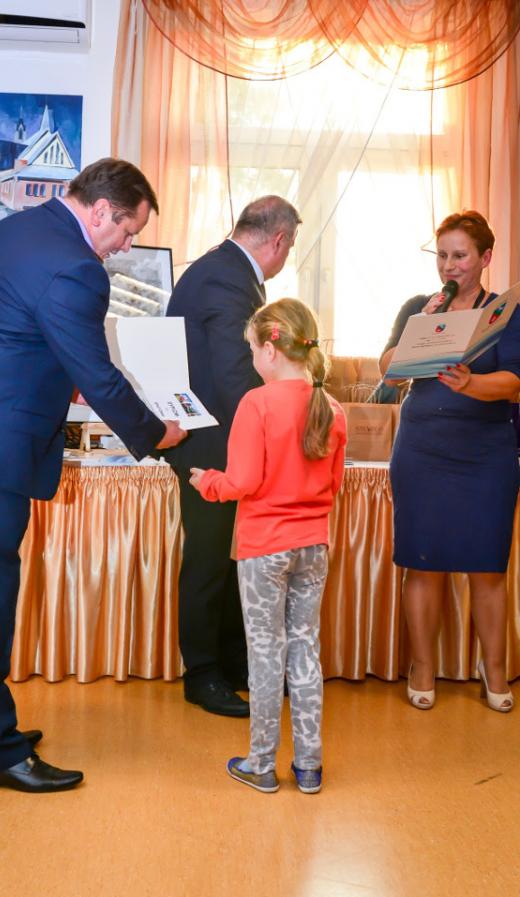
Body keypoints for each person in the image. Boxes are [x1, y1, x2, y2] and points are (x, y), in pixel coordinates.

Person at [0, 158, 186, 792]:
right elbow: (97, 374)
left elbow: (18, 336)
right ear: (102, 211)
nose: (126, 247)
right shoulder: (76, 267)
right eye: (128, 231)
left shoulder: (15, 228)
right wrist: (157, 432)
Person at [190, 299, 347, 793]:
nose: (253, 358)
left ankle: (261, 762)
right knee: (305, 649)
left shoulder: (256, 404)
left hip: (264, 548)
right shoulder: (331, 408)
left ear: (272, 350)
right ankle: (309, 765)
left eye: (253, 350)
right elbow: (334, 484)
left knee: (265, 653)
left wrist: (206, 481)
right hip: (312, 545)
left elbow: (242, 481)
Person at [165, 196, 301, 717]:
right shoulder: (228, 277)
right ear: (279, 240)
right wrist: (280, 423)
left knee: (226, 558)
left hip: (217, 440)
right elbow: (233, 376)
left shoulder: (222, 268)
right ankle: (202, 674)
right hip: (213, 446)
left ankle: (230, 663)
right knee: (208, 562)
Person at [380, 210, 520, 712]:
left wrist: (472, 383)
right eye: (442, 255)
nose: (449, 265)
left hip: (486, 452)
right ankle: (422, 667)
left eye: (460, 255)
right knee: (424, 563)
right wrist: (422, 327)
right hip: (422, 448)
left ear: (485, 257)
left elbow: (514, 382)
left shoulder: (505, 313)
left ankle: (495, 671)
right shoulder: (419, 306)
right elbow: (388, 370)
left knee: (488, 569)